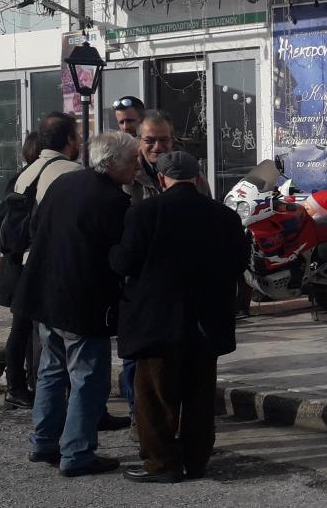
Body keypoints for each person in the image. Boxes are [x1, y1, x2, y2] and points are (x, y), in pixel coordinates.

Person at [110, 151, 249, 483]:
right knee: (200, 396)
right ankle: (196, 460)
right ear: (198, 178)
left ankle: (162, 464)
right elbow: (239, 263)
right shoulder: (224, 216)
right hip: (206, 321)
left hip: (157, 321)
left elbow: (124, 262)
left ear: (161, 179)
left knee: (155, 397)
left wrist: (112, 253)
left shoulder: (144, 213)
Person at [11, 131, 140, 477]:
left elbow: (37, 226)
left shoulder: (65, 184)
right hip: (81, 301)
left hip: (44, 293)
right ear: (111, 163)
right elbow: (118, 257)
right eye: (132, 161)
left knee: (51, 371)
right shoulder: (112, 201)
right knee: (88, 378)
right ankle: (77, 453)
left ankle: (43, 442)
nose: (137, 167)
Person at [0, 118, 81, 409]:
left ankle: (22, 387)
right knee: (42, 334)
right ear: (69, 138)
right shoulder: (69, 172)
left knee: (25, 329)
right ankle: (29, 388)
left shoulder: (25, 175)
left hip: (20, 261)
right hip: (40, 265)